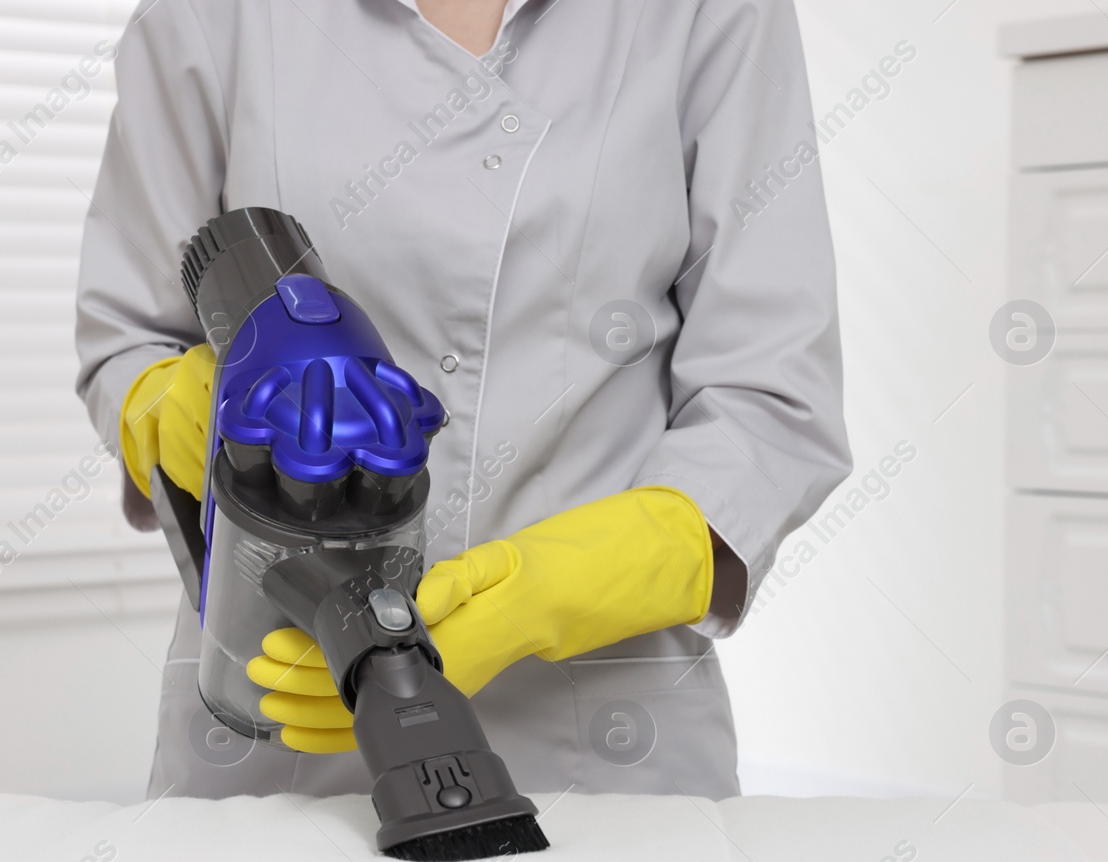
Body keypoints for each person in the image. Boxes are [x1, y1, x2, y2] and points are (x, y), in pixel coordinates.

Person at [75, 0, 850, 801]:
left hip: (604, 748)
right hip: (272, 708)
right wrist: (173, 405)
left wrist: (561, 584)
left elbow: (771, 395)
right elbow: (129, 331)